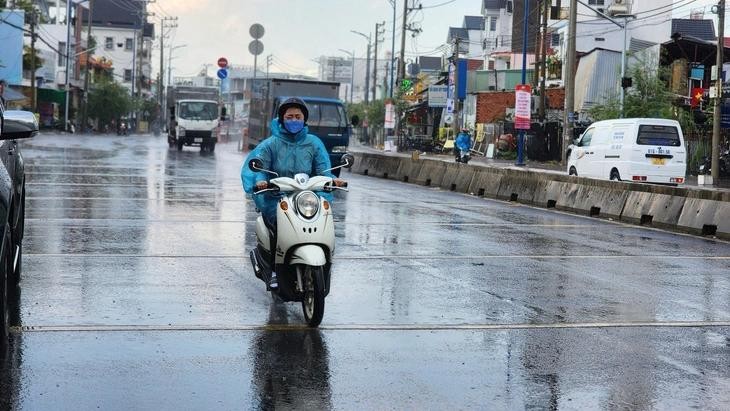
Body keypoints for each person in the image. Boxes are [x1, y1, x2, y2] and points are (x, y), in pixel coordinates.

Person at [241, 97, 345, 288]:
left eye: (298, 116)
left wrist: (331, 181)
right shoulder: (270, 144)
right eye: (290, 117)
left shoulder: (314, 143)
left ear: (304, 119)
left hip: (308, 197)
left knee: (324, 217)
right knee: (279, 223)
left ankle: (325, 262)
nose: (294, 120)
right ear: (282, 119)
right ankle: (273, 269)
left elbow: (323, 169)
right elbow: (259, 166)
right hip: (277, 197)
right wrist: (262, 181)